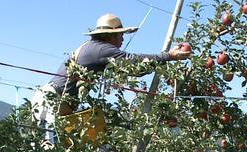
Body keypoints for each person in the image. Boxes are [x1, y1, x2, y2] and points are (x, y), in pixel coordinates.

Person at [31, 13, 191, 144]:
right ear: (110, 35)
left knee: (69, 151)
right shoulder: (101, 50)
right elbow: (133, 63)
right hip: (50, 102)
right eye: (120, 34)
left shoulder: (94, 48)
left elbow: (134, 70)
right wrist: (168, 56)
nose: (122, 38)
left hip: (54, 102)